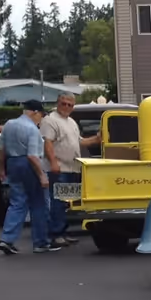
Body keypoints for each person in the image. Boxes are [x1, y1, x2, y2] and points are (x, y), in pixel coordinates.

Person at [0, 99, 60, 255]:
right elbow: (32, 156)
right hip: (28, 165)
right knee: (39, 203)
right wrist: (42, 175)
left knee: (17, 202)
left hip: (12, 163)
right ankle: (40, 242)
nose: (42, 119)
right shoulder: (32, 129)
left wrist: (0, 168)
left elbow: (0, 150)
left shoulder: (9, 125)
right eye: (42, 115)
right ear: (35, 112)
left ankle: (7, 239)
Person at [40, 93, 98, 244]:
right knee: (58, 201)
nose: (66, 107)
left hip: (72, 168)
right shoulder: (50, 120)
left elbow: (80, 142)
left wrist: (97, 138)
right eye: (63, 103)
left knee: (67, 202)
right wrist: (53, 163)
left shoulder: (71, 122)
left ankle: (62, 231)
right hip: (60, 168)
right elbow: (48, 143)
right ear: (57, 103)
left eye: (70, 105)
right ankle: (55, 234)